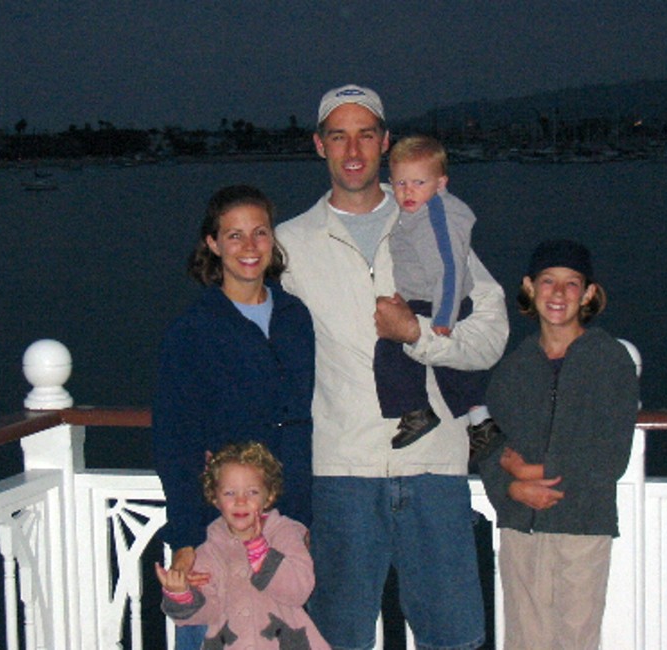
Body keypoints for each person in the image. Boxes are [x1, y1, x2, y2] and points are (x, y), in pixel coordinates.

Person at [276, 84, 509, 650]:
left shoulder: (433, 221)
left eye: (365, 135)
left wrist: (420, 337)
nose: (353, 149)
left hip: (434, 466)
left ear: (385, 142)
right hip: (341, 473)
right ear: (319, 145)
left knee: (452, 639)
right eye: (339, 136)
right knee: (337, 640)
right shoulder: (289, 244)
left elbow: (491, 335)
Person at [152, 185, 315, 650]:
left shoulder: (295, 318)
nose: (249, 246)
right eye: (234, 235)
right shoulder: (193, 331)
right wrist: (185, 537)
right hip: (216, 528)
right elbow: (174, 442)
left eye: (259, 232)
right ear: (213, 243)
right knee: (208, 633)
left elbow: (303, 418)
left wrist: (303, 518)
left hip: (284, 523)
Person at [477, 239, 639, 649]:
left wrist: (537, 471)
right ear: (530, 287)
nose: (559, 293)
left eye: (571, 283)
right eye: (549, 281)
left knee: (575, 640)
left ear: (587, 293)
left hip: (581, 524)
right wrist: (510, 487)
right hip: (520, 526)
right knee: (523, 640)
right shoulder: (514, 367)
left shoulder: (609, 361)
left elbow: (611, 454)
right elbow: (487, 439)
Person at [375, 134, 493, 452]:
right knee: (452, 371)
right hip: (424, 298)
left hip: (438, 302)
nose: (408, 191)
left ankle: (416, 411)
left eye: (419, 183)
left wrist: (443, 317)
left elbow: (450, 269)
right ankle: (482, 423)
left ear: (440, 183)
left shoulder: (437, 216)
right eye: (401, 184)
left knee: (390, 352)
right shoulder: (416, 212)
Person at [156, 441, 330, 650]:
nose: (240, 501)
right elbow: (209, 612)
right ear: (215, 498)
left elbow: (299, 590)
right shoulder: (209, 548)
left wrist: (262, 555)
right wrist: (181, 594)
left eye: (252, 492)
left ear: (269, 496)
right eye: (230, 493)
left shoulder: (284, 533)